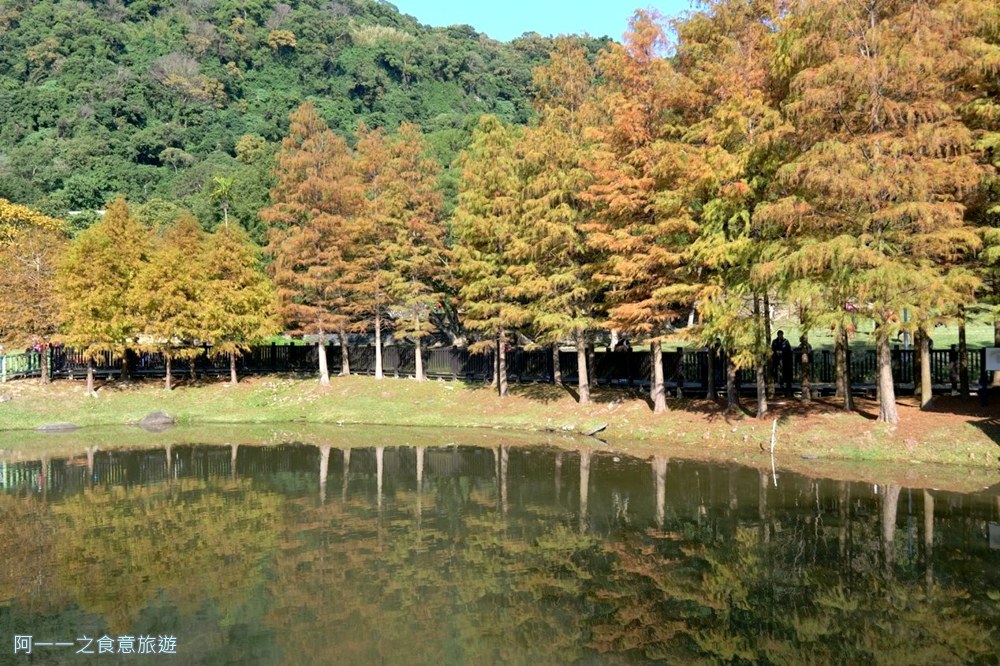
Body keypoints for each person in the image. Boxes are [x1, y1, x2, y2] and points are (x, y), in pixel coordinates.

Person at [771, 330, 793, 396]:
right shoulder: (774, 341)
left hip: (785, 360)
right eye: (779, 334)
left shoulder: (786, 341)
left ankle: (785, 385)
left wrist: (782, 352)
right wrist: (776, 352)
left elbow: (788, 349)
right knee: (776, 371)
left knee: (785, 372)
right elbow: (773, 349)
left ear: (782, 334)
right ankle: (777, 381)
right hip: (776, 360)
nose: (780, 336)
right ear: (777, 335)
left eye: (781, 334)